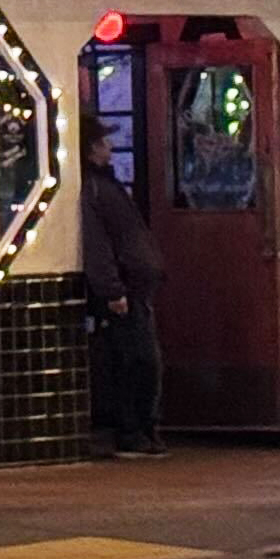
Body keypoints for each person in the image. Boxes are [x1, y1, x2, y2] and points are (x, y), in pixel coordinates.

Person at [79, 115, 166, 458]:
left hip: (133, 286)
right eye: (103, 142)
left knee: (139, 359)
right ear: (90, 149)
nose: (110, 147)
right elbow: (97, 244)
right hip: (126, 289)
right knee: (139, 361)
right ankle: (135, 431)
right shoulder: (97, 188)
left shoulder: (104, 186)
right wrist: (112, 290)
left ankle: (140, 429)